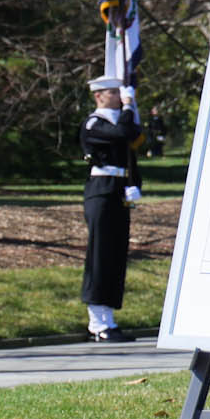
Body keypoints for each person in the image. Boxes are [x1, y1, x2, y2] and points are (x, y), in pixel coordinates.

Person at [79, 75, 142, 343]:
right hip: (101, 192)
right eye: (114, 93)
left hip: (118, 192)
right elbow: (122, 134)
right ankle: (96, 323)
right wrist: (129, 107)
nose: (119, 96)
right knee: (100, 256)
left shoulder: (120, 121)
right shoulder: (94, 123)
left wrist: (136, 183)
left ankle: (109, 319)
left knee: (116, 255)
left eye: (120, 92)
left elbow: (131, 146)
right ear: (99, 96)